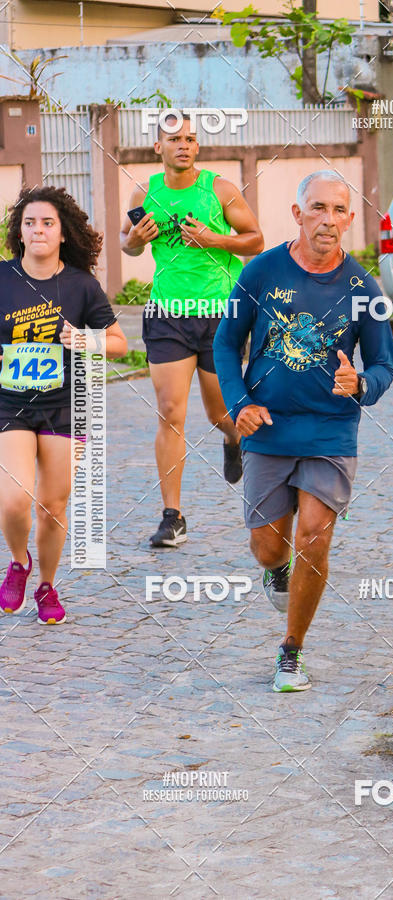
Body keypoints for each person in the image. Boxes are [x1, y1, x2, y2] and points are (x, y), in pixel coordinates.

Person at [213, 170, 393, 692]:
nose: (329, 220)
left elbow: (385, 365)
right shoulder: (261, 273)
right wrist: (239, 403)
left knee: (315, 535)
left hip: (330, 431)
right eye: (318, 208)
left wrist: (360, 383)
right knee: (270, 548)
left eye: (339, 211)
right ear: (297, 214)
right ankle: (276, 569)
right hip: (267, 428)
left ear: (350, 219)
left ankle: (291, 650)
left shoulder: (364, 288)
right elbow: (226, 345)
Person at [120, 112, 264, 548]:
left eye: (190, 139)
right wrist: (137, 239)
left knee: (220, 414)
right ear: (157, 149)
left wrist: (214, 239)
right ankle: (173, 517)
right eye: (174, 139)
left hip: (219, 314)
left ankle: (234, 440)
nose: (183, 145)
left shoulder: (218, 189)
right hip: (167, 313)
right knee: (170, 411)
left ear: (197, 148)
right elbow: (126, 244)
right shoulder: (146, 191)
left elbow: (255, 239)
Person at [0, 185, 127, 624]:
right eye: (29, 222)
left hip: (65, 404)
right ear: (18, 230)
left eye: (47, 223)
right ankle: (19, 562)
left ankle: (47, 586)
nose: (37, 230)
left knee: (52, 506)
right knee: (14, 501)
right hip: (10, 404)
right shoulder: (2, 278)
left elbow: (120, 343)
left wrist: (85, 339)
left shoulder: (81, 285)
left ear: (63, 233)